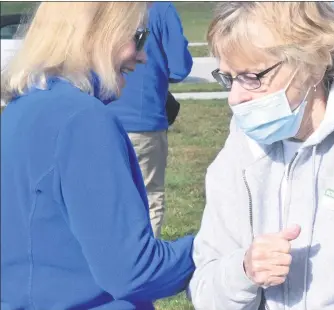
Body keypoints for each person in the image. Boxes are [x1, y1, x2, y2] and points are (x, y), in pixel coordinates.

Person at [188, 2, 334, 310]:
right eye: (229, 78)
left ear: (313, 64)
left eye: (252, 76)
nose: (235, 97)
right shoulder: (240, 150)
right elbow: (205, 289)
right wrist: (243, 272)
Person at [1, 2, 194, 310]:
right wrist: (214, 245)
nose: (142, 56)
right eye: (138, 38)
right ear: (98, 34)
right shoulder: (82, 119)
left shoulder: (22, 107)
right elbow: (134, 271)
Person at [108, 1, 192, 238]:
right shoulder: (160, 10)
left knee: (107, 194)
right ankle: (143, 261)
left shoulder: (102, 7)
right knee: (148, 194)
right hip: (143, 119)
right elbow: (180, 67)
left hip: (101, 115)